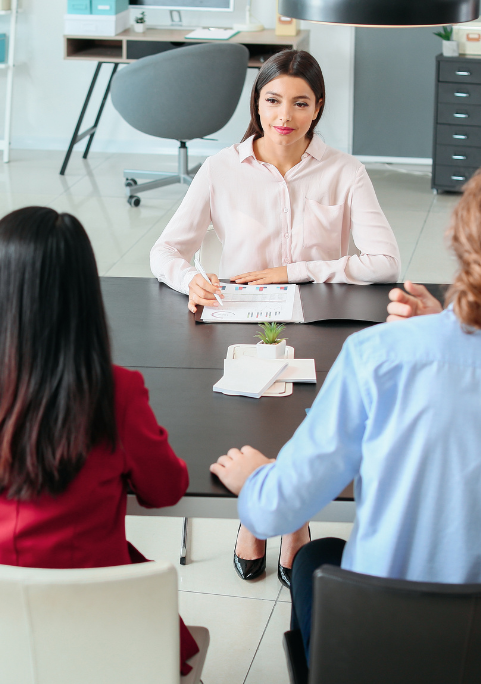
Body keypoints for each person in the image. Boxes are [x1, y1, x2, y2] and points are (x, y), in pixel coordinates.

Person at [209, 161, 481, 662]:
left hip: (383, 654)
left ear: (457, 241)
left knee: (316, 555)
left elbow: (275, 512)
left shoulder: (379, 354)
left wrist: (256, 479)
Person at [149, 49, 401, 586]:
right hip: (239, 320)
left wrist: (293, 269)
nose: (284, 115)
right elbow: (165, 251)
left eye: (299, 103)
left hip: (320, 319)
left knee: (307, 418)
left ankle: (291, 519)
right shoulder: (221, 169)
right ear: (258, 104)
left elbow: (385, 263)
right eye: (272, 100)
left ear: (318, 109)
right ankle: (258, 514)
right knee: (248, 415)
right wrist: (189, 278)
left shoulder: (345, 171)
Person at [0, 206, 201, 674]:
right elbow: (166, 490)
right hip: (98, 644)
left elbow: (4, 393)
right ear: (84, 299)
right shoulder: (115, 393)